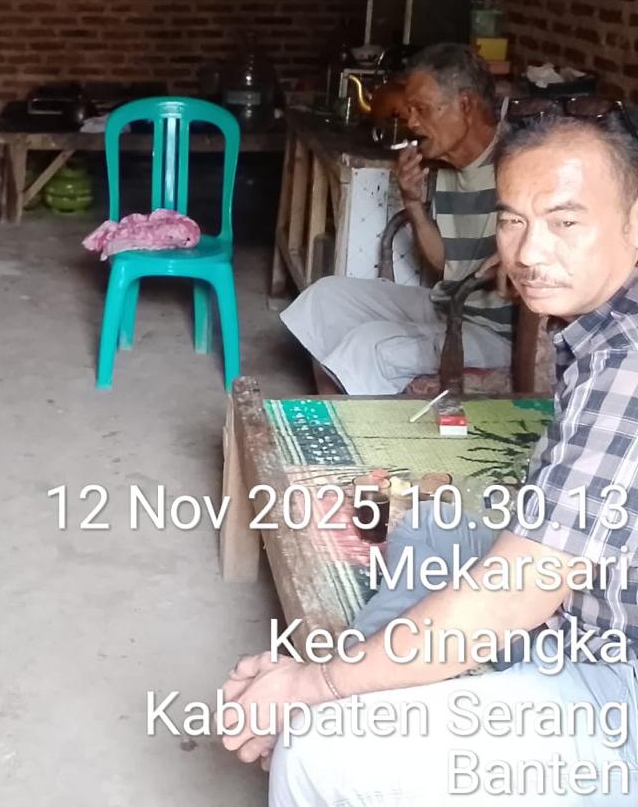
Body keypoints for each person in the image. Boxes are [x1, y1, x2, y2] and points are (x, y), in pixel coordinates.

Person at [221, 113, 638, 805]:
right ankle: (365, 682)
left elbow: (516, 592)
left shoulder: (628, 368)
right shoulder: (602, 327)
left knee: (320, 752)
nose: (530, 251)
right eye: (513, 221)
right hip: (589, 599)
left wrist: (311, 687)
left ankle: (336, 699)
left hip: (618, 675)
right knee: (434, 525)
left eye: (565, 222)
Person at [281, 44, 513, 394]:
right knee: (323, 299)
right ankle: (335, 416)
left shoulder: (518, 165)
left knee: (370, 345)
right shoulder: (447, 165)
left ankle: (339, 423)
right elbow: (445, 265)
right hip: (448, 306)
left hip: (496, 332)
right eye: (411, 110)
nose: (412, 122)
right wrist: (413, 202)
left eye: (422, 109)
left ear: (465, 105)